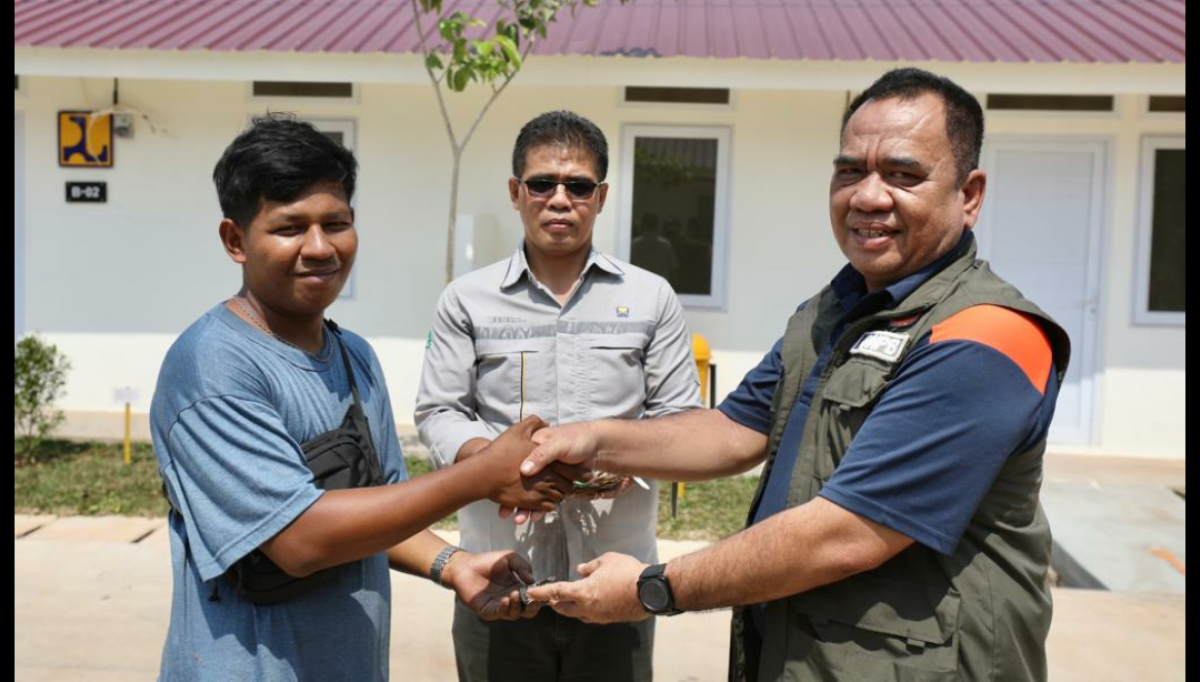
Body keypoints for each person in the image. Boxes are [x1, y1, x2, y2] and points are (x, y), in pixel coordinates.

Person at [522, 69, 1072, 682]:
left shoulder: (988, 336)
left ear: (969, 195)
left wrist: (651, 588)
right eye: (849, 171)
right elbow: (732, 430)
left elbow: (845, 535)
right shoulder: (834, 310)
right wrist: (594, 438)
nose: (868, 196)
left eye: (902, 174)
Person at [149, 114, 562, 681]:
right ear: (235, 240)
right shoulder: (213, 367)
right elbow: (298, 539)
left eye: (336, 223)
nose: (320, 248)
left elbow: (383, 508)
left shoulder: (355, 357)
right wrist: (483, 474)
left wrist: (454, 564)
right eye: (290, 228)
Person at [416, 110, 703, 682]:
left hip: (615, 580)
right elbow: (439, 409)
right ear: (516, 192)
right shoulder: (466, 300)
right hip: (500, 577)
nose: (559, 199)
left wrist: (621, 458)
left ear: (600, 197)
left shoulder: (651, 297)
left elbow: (682, 421)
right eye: (542, 184)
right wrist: (490, 464)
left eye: (577, 186)